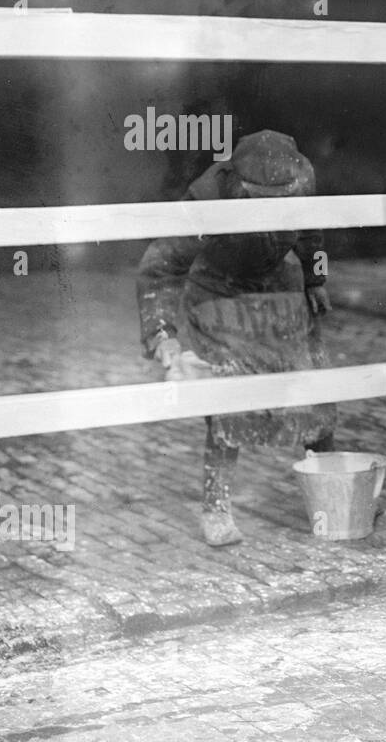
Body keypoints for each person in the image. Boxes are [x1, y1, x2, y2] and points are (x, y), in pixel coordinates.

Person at [136, 130, 337, 547]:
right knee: (230, 397)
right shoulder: (207, 196)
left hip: (276, 283)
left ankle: (333, 496)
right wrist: (163, 335)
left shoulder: (304, 180)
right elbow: (159, 267)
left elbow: (313, 233)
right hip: (218, 291)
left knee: (312, 387)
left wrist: (316, 278)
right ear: (237, 185)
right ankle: (216, 508)